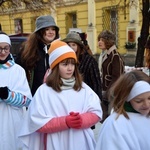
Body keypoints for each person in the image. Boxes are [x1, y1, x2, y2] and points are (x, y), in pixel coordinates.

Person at [18, 40, 103, 150]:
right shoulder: (44, 91)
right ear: (55, 66)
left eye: (73, 64)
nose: (70, 68)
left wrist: (81, 120)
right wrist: (65, 122)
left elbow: (96, 113)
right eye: (65, 64)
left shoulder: (83, 88)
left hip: (80, 141)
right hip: (55, 142)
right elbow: (36, 122)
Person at [96, 70, 150, 150]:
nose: (146, 104)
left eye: (149, 98)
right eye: (139, 101)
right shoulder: (115, 124)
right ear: (127, 99)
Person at [0, 32, 32, 150]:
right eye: (0, 48)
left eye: (6, 48)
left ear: (9, 48)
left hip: (13, 122)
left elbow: (27, 100)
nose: (2, 52)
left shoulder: (18, 70)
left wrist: (8, 95)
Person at [15, 15, 60, 95]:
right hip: (34, 96)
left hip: (54, 96)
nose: (51, 32)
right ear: (40, 31)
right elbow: (18, 74)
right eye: (47, 29)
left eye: (53, 29)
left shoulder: (59, 49)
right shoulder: (28, 51)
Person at [63, 32, 102, 101]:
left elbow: (96, 84)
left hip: (86, 99)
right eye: (69, 45)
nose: (71, 47)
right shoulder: (64, 61)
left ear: (78, 46)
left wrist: (96, 101)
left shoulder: (89, 61)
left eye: (73, 45)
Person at [97, 30, 125, 122]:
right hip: (106, 91)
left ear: (109, 41)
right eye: (99, 40)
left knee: (112, 118)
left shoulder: (115, 56)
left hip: (113, 93)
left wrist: (108, 92)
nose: (99, 42)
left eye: (102, 40)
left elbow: (117, 77)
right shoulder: (105, 54)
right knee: (105, 117)